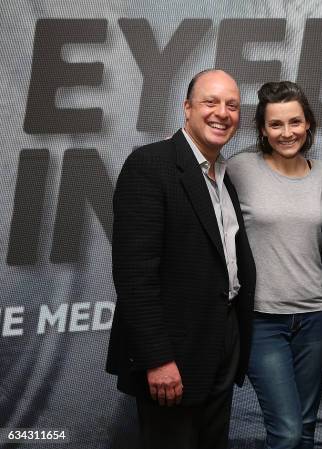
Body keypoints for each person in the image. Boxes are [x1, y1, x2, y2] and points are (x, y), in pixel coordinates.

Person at [106, 69, 256, 449]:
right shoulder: (150, 166)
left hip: (220, 341)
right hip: (173, 354)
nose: (222, 113)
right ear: (186, 108)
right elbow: (134, 275)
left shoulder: (223, 175)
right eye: (211, 102)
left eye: (232, 105)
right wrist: (157, 359)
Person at [227, 81, 322, 449]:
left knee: (307, 428)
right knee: (286, 433)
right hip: (263, 321)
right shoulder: (239, 169)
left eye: (295, 122)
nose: (287, 133)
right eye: (276, 124)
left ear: (308, 124)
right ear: (263, 130)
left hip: (314, 319)